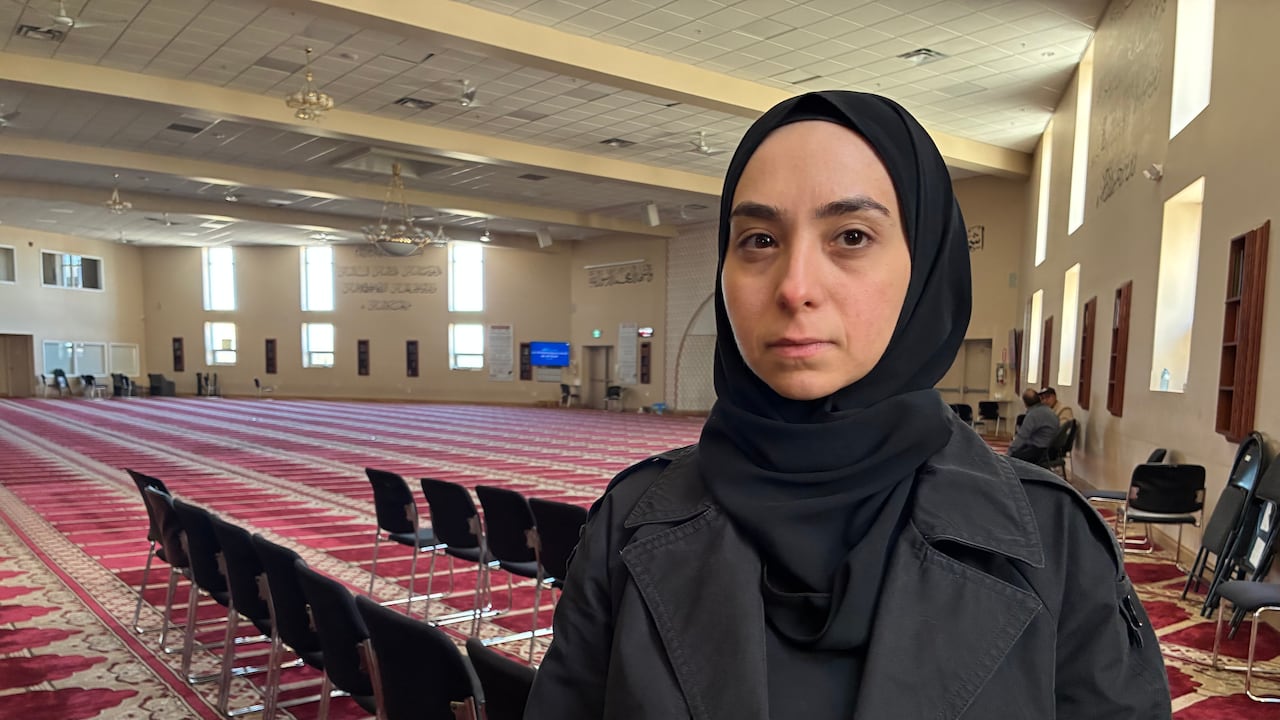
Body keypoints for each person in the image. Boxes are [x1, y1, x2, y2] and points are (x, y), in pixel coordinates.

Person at [524, 92, 1169, 718]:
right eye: (758, 240)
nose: (796, 286)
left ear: (923, 267)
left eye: (852, 236)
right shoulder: (630, 523)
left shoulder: (1053, 541)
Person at [1008, 387, 1061, 463]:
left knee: (1014, 457)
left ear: (1025, 404)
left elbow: (1022, 436)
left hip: (1040, 451)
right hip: (1051, 449)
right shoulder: (1050, 411)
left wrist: (1010, 452)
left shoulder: (1033, 415)